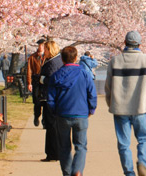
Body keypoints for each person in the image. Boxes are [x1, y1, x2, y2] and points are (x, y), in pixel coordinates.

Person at [105, 31, 146, 176]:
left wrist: (111, 104)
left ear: (125, 43)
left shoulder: (115, 61)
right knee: (144, 139)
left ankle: (129, 173)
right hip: (140, 108)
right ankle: (142, 163)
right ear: (139, 44)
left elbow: (108, 87)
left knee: (123, 144)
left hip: (120, 109)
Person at [48, 46, 97, 176]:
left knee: (64, 147)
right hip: (81, 113)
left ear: (62, 59)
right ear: (76, 58)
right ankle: (77, 170)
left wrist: (55, 111)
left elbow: (51, 99)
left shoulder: (55, 76)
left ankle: (67, 173)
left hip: (62, 114)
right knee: (81, 146)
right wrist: (91, 109)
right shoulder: (85, 74)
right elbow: (92, 94)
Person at [40, 39, 64, 162]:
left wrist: (42, 80)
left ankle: (53, 153)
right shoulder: (56, 61)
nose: (44, 52)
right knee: (52, 126)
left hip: (51, 98)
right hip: (53, 98)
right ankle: (53, 153)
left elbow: (54, 80)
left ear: (50, 50)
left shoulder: (52, 63)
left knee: (51, 126)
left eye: (46, 49)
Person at [26, 38, 46, 127]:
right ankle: (36, 116)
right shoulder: (33, 57)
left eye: (43, 45)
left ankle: (45, 119)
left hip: (45, 80)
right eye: (40, 45)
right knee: (37, 101)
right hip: (36, 79)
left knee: (46, 101)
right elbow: (29, 70)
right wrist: (29, 83)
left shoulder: (47, 56)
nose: (41, 47)